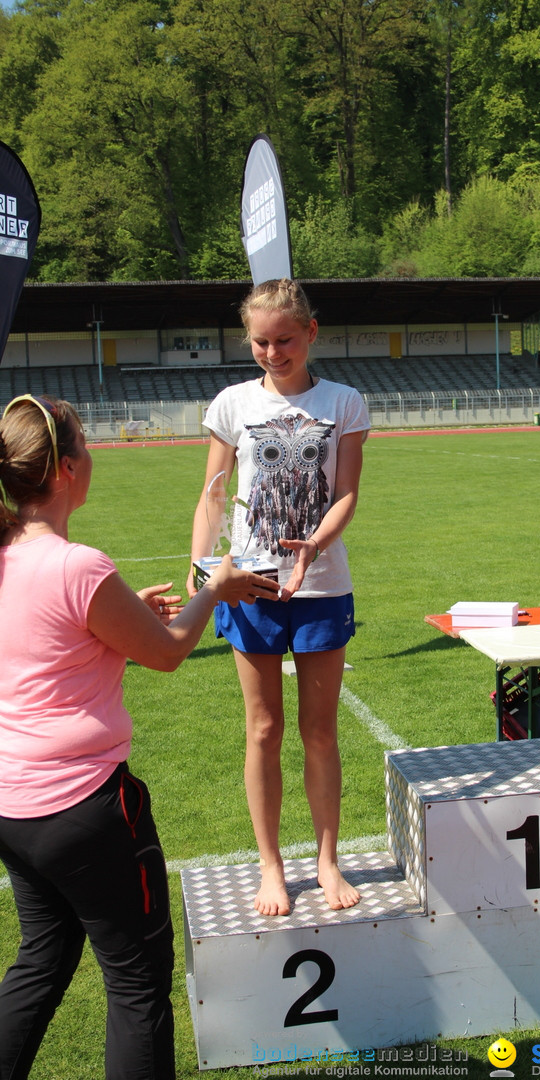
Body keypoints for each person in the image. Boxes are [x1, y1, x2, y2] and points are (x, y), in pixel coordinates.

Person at [0, 394, 279, 1080]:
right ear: (66, 470)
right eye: (86, 446)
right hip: (84, 809)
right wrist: (217, 589)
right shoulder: (77, 566)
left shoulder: (9, 554)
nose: (92, 456)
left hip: (13, 806)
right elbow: (167, 652)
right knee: (135, 986)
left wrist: (120, 625)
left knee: (42, 958)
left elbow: (45, 650)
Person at [188, 278, 370, 918]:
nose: (272, 352)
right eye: (261, 342)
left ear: (311, 333)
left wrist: (311, 549)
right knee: (262, 729)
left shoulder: (344, 402)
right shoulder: (232, 403)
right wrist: (201, 566)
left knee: (320, 734)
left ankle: (326, 859)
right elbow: (213, 494)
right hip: (249, 586)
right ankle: (272, 865)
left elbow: (345, 493)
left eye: (285, 340)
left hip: (320, 585)